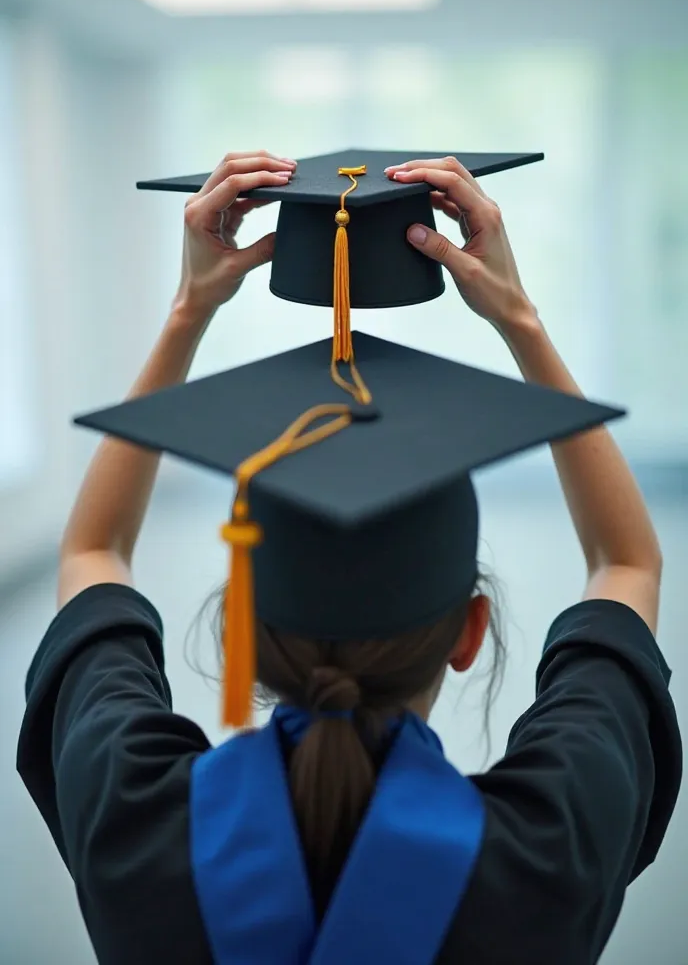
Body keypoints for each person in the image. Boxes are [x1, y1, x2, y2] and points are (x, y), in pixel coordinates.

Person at [17, 150, 681, 965]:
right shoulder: (551, 840)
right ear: (471, 633)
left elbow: (92, 551)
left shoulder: (134, 812)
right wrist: (521, 319)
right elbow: (626, 563)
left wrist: (191, 306)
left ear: (238, 630)